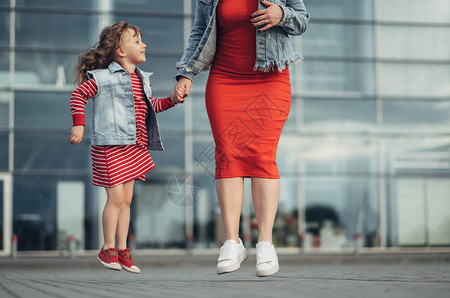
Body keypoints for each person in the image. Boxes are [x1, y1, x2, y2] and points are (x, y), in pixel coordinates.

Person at [171, 0, 310, 277]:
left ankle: (266, 242)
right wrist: (186, 74)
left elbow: (302, 20)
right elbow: (200, 31)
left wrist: (282, 14)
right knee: (228, 156)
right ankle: (232, 241)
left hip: (270, 79)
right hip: (225, 80)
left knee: (261, 155)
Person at [69, 21, 182, 274]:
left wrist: (172, 101)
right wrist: (79, 125)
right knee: (116, 197)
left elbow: (151, 106)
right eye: (137, 41)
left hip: (134, 146)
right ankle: (107, 248)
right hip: (111, 144)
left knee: (127, 200)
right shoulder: (103, 78)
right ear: (120, 50)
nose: (144, 44)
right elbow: (78, 95)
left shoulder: (142, 78)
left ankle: (122, 250)